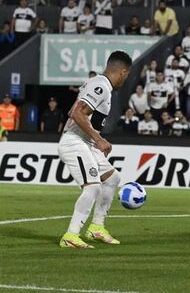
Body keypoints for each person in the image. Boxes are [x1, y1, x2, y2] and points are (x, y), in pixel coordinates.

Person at [58, 51, 132, 248]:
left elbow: (73, 110)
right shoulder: (101, 85)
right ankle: (71, 235)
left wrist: (96, 138)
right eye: (127, 75)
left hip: (86, 143)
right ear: (123, 72)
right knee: (92, 187)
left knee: (112, 178)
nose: (126, 80)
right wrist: (98, 138)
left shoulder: (100, 85)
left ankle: (97, 227)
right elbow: (76, 113)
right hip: (75, 142)